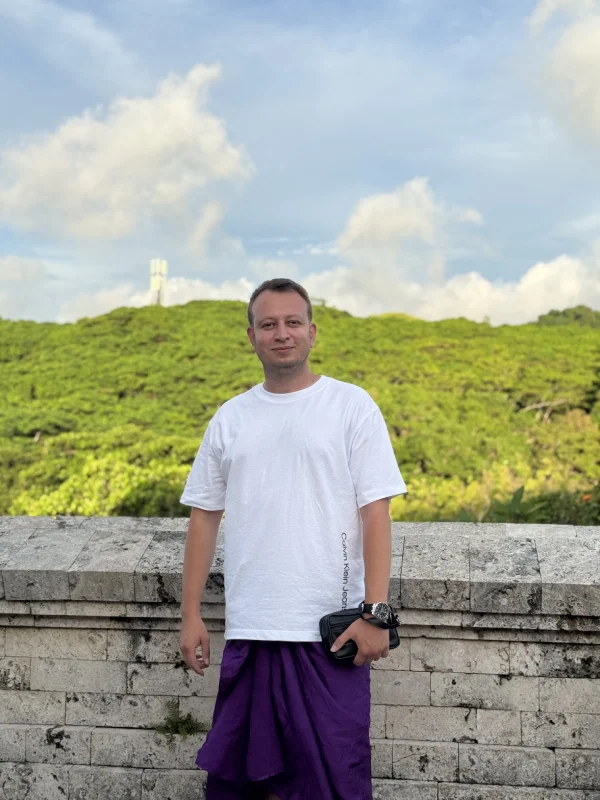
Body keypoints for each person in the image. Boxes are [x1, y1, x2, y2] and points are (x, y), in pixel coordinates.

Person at [179, 278, 407, 800]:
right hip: (252, 629)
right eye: (268, 324)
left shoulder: (350, 406)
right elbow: (203, 518)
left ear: (311, 331)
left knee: (335, 783)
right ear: (252, 336)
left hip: (330, 634)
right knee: (242, 786)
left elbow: (376, 512)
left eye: (292, 322)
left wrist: (376, 613)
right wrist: (191, 613)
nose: (281, 333)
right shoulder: (231, 417)